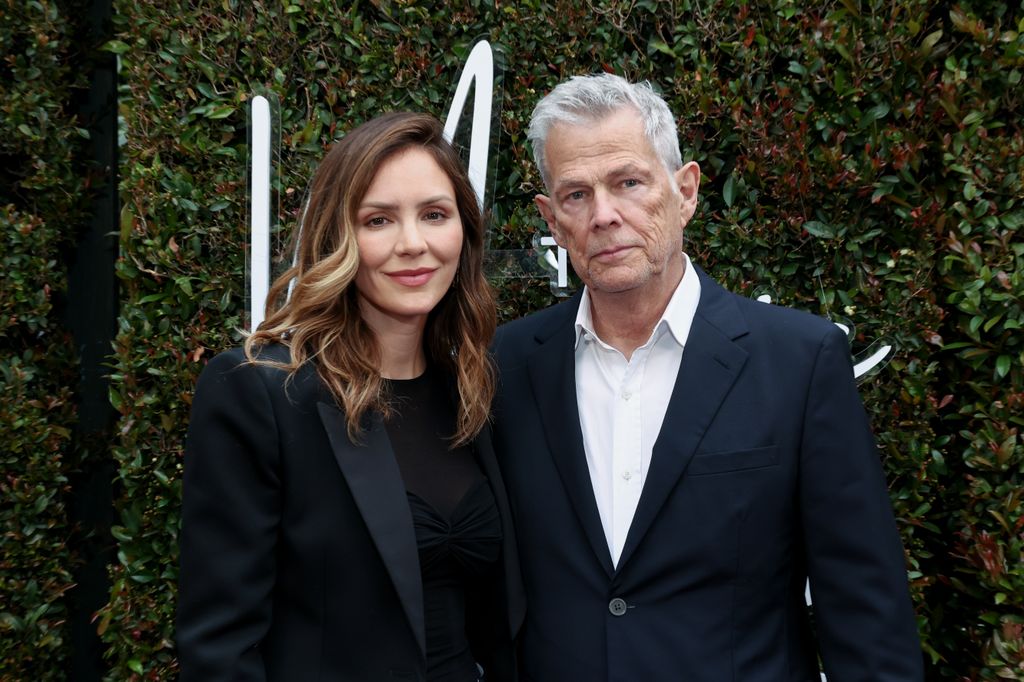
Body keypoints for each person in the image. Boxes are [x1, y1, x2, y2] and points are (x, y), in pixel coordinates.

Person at [490, 73, 923, 680]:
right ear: (552, 219)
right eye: (576, 195)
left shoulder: (799, 362)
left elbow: (866, 615)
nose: (604, 215)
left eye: (628, 182)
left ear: (686, 190)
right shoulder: (505, 364)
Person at [177, 112, 524, 682]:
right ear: (339, 236)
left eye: (434, 215)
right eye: (379, 220)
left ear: (464, 231)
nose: (413, 244)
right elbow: (219, 648)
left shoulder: (474, 390)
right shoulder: (259, 391)